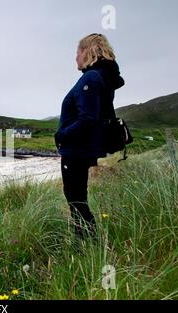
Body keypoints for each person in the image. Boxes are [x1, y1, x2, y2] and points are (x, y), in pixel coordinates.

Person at [54, 33, 125, 238]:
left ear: (88, 51)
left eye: (78, 51)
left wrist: (62, 135)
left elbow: (88, 118)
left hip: (76, 149)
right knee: (78, 198)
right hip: (82, 148)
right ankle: (85, 242)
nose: (75, 56)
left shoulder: (91, 78)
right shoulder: (99, 77)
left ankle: (85, 244)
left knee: (75, 200)